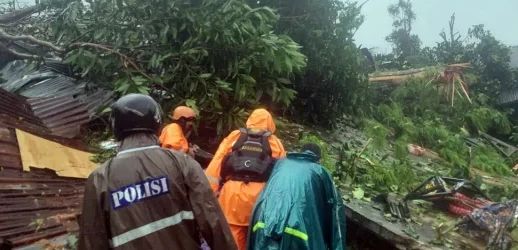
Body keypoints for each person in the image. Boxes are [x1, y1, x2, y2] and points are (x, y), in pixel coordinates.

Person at [78, 94, 237, 250]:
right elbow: (214, 223)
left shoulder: (100, 179)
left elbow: (91, 241)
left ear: (115, 127)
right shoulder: (182, 163)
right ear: (157, 122)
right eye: (189, 121)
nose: (191, 124)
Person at [205, 109, 286, 250]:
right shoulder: (274, 142)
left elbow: (215, 166)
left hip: (231, 196)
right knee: (257, 239)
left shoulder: (234, 137)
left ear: (249, 120)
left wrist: (208, 195)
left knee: (231, 240)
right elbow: (282, 175)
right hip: (260, 198)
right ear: (270, 123)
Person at [246, 143, 346, 250]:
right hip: (298, 230)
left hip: (264, 223)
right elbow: (336, 215)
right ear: (319, 160)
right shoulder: (321, 172)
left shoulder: (280, 164)